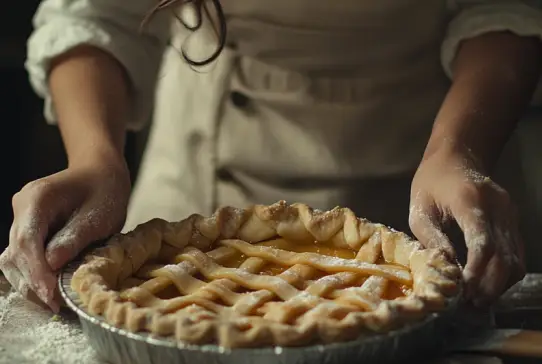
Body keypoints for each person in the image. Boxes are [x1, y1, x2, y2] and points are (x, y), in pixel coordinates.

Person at [1, 0, 542, 312]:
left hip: (428, 147)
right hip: (199, 175)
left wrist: (457, 152)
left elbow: (501, 8)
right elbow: (98, 12)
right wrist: (96, 159)